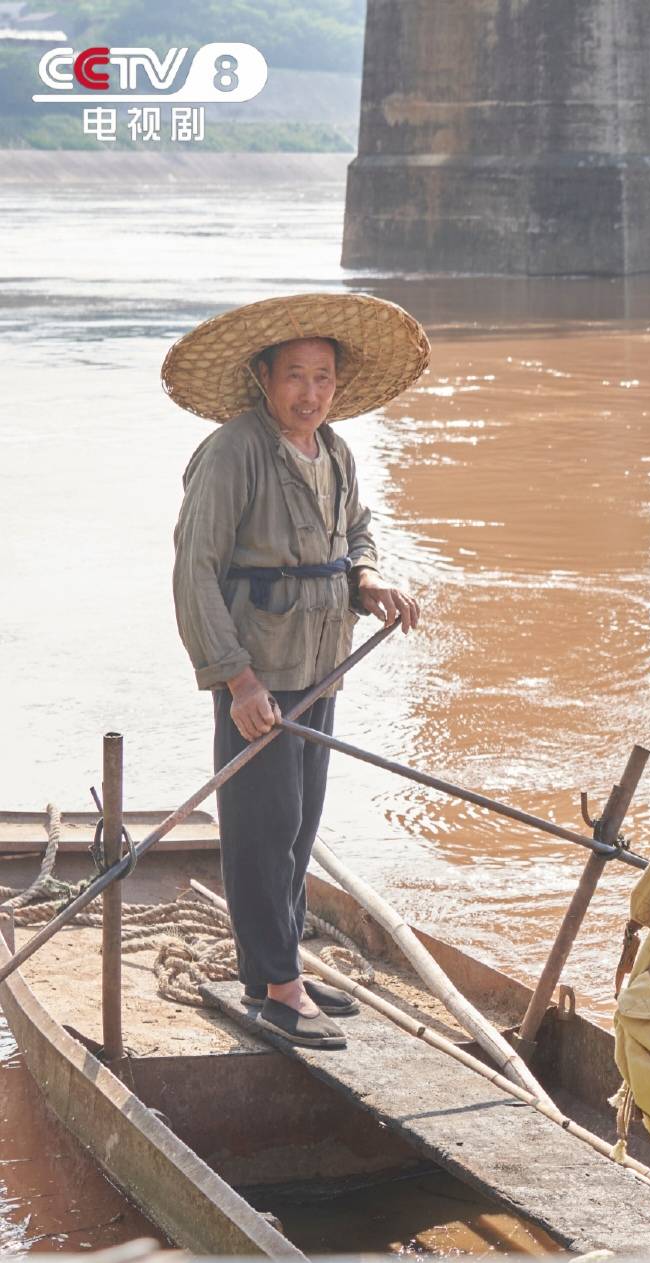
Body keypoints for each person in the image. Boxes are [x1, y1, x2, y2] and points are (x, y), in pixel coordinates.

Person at [166, 293, 429, 1050]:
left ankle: (273, 970)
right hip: (261, 678)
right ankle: (280, 985)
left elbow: (355, 531)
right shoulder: (234, 452)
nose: (309, 393)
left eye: (322, 377)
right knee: (262, 826)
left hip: (320, 668)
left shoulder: (334, 451)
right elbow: (195, 572)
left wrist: (370, 579)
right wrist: (236, 679)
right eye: (294, 377)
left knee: (300, 824)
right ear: (262, 376)